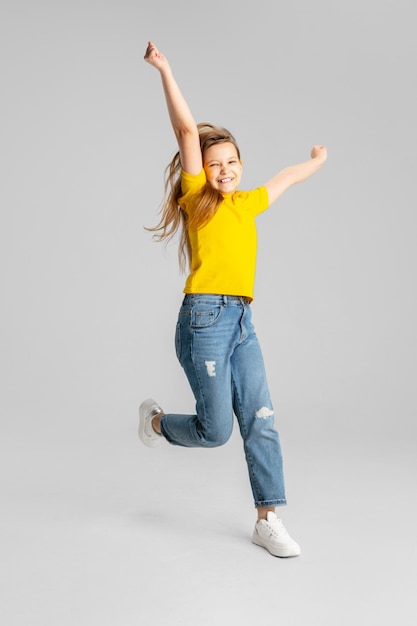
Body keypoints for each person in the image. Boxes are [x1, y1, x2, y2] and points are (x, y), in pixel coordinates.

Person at [139, 41, 327, 558]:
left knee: (262, 416)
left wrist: (316, 160)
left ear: (242, 165)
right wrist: (166, 69)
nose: (224, 169)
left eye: (232, 161)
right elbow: (184, 131)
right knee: (215, 430)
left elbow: (286, 178)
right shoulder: (197, 198)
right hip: (204, 320)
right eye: (214, 161)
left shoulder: (247, 204)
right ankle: (156, 423)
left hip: (242, 319)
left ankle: (268, 517)